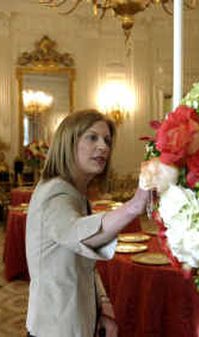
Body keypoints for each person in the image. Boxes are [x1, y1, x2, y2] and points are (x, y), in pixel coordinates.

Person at [25, 109, 150, 337]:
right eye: (92, 137)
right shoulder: (55, 193)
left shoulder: (73, 192)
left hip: (75, 320)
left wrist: (102, 306)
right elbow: (80, 234)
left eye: (107, 140)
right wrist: (134, 205)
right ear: (68, 142)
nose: (103, 146)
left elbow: (83, 263)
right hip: (55, 327)